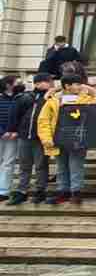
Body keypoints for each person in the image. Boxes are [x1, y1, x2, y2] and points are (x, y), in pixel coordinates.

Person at [36, 75, 96, 205]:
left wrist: (90, 91)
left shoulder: (87, 99)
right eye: (77, 84)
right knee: (61, 167)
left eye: (80, 84)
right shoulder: (53, 101)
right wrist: (46, 138)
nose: (80, 86)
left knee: (76, 166)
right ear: (67, 86)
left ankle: (76, 192)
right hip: (57, 139)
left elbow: (95, 112)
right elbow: (43, 121)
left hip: (78, 139)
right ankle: (63, 192)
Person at [6, 75, 51, 206]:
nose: (50, 84)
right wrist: (13, 129)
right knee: (24, 166)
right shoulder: (25, 97)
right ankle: (22, 191)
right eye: (47, 82)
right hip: (24, 136)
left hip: (41, 138)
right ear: (37, 84)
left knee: (41, 165)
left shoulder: (51, 98)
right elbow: (15, 114)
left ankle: (40, 191)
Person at [0, 76, 22, 201]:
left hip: (13, 136)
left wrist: (15, 131)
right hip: (2, 134)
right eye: (17, 83)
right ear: (8, 85)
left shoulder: (20, 98)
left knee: (8, 163)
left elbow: (22, 116)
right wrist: (2, 132)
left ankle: (4, 191)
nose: (20, 84)